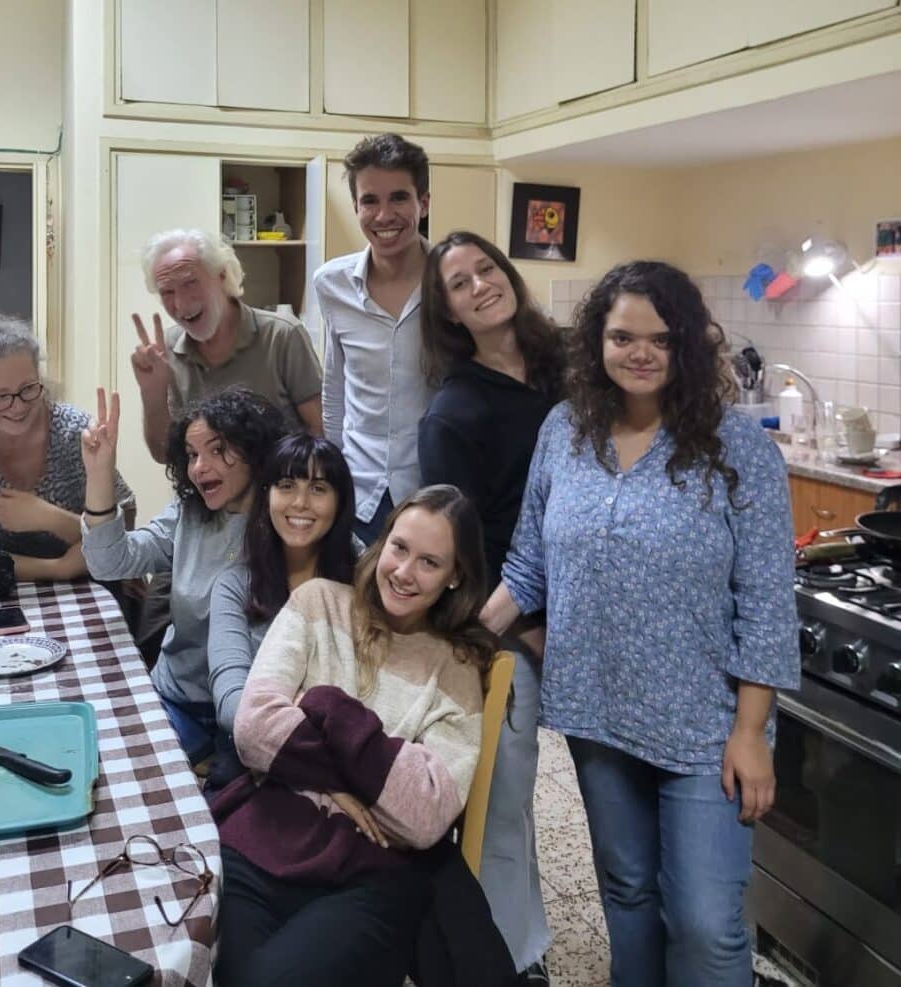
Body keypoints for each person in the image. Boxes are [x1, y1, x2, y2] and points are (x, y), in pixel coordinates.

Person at [481, 260, 799, 986]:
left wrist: (751, 730)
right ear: (596, 341)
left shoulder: (738, 446)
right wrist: (460, 631)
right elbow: (529, 562)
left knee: (705, 923)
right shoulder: (565, 430)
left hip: (705, 724)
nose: (640, 352)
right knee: (626, 890)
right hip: (597, 712)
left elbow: (768, 602)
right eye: (623, 335)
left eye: (660, 338)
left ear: (688, 345)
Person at [211, 485, 496, 986]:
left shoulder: (455, 668)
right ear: (381, 543)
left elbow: (426, 815)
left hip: (370, 871)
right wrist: (347, 784)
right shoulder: (317, 602)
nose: (404, 572)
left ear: (455, 578)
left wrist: (326, 707)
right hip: (263, 839)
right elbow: (253, 728)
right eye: (399, 548)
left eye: (430, 563)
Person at [418, 231, 568, 984]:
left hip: (597, 618)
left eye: (488, 269)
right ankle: (517, 956)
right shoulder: (453, 413)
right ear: (446, 311)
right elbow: (456, 556)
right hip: (507, 626)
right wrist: (524, 622)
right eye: (459, 282)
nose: (480, 285)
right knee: (504, 795)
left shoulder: (566, 367)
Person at [80, 385, 286, 765]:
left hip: (253, 715)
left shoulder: (291, 520)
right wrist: (99, 474)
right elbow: (110, 562)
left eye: (217, 450)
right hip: (177, 700)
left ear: (255, 451)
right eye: (191, 455)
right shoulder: (188, 512)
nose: (198, 467)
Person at [0, 315, 134, 580]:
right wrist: (60, 568)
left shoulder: (75, 432)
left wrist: (51, 518)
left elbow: (124, 526)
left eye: (28, 388)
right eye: (1, 397)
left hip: (90, 585)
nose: (18, 406)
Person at [207, 432, 357, 776]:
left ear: (340, 502)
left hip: (349, 754)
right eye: (286, 485)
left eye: (318, 489)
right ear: (267, 496)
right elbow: (232, 703)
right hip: (259, 753)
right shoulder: (234, 587)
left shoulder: (362, 580)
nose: (300, 503)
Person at [314, 133, 435, 544]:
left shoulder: (452, 282)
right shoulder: (331, 284)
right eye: (370, 201)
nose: (384, 215)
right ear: (356, 208)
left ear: (424, 203)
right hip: (359, 491)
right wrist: (331, 478)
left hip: (434, 490)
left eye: (399, 197)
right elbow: (335, 386)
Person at [132, 228, 322, 463]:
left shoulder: (281, 335)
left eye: (190, 283)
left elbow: (319, 432)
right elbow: (165, 455)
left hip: (277, 492)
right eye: (167, 292)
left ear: (221, 276)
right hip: (203, 496)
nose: (180, 304)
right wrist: (153, 394)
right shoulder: (167, 349)